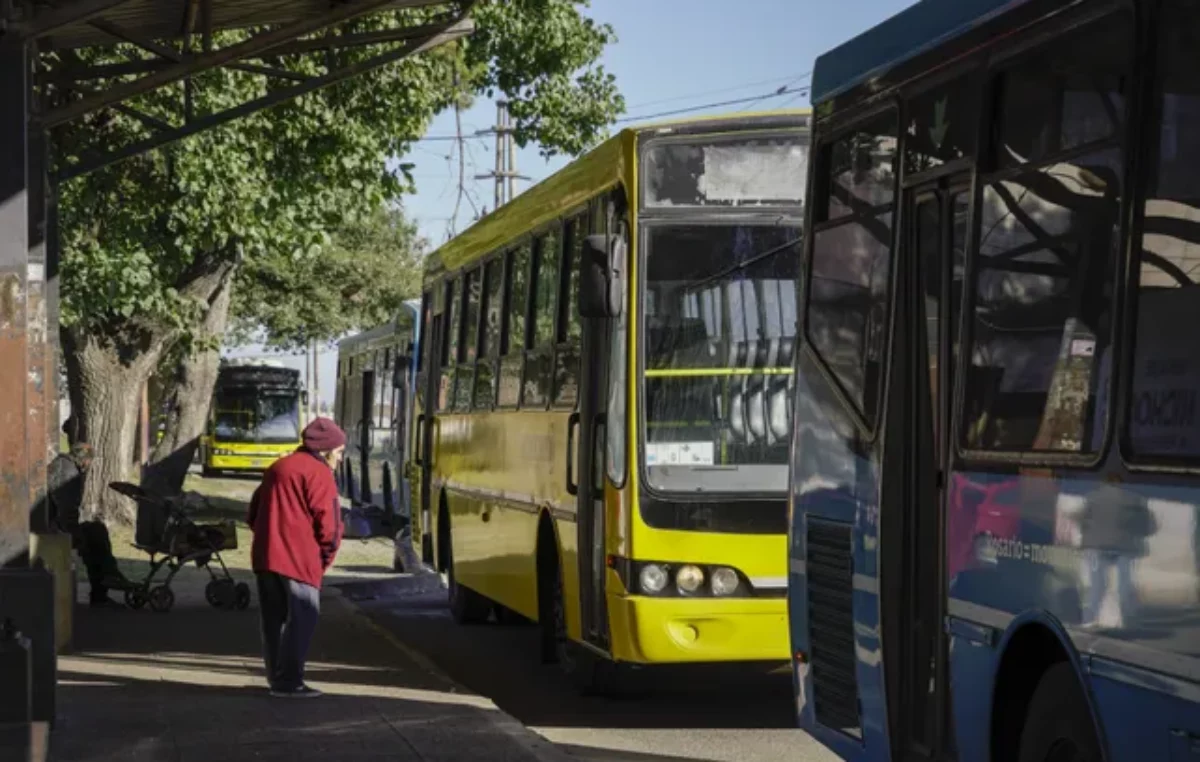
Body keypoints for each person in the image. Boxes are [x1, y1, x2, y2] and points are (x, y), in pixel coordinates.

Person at [247, 417, 346, 698]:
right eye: (339, 453)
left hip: (266, 556)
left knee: (273, 619)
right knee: (303, 618)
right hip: (299, 560)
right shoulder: (319, 474)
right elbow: (330, 525)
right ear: (327, 451)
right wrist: (324, 559)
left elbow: (253, 513)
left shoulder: (278, 467)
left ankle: (276, 677)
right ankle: (290, 681)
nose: (339, 460)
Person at [47, 442, 130, 608]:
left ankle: (106, 580)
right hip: (53, 524)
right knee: (95, 537)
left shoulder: (63, 464)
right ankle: (105, 583)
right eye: (89, 461)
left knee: (96, 530)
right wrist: (76, 535)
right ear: (84, 460)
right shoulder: (68, 472)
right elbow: (67, 508)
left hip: (53, 520)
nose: (89, 465)